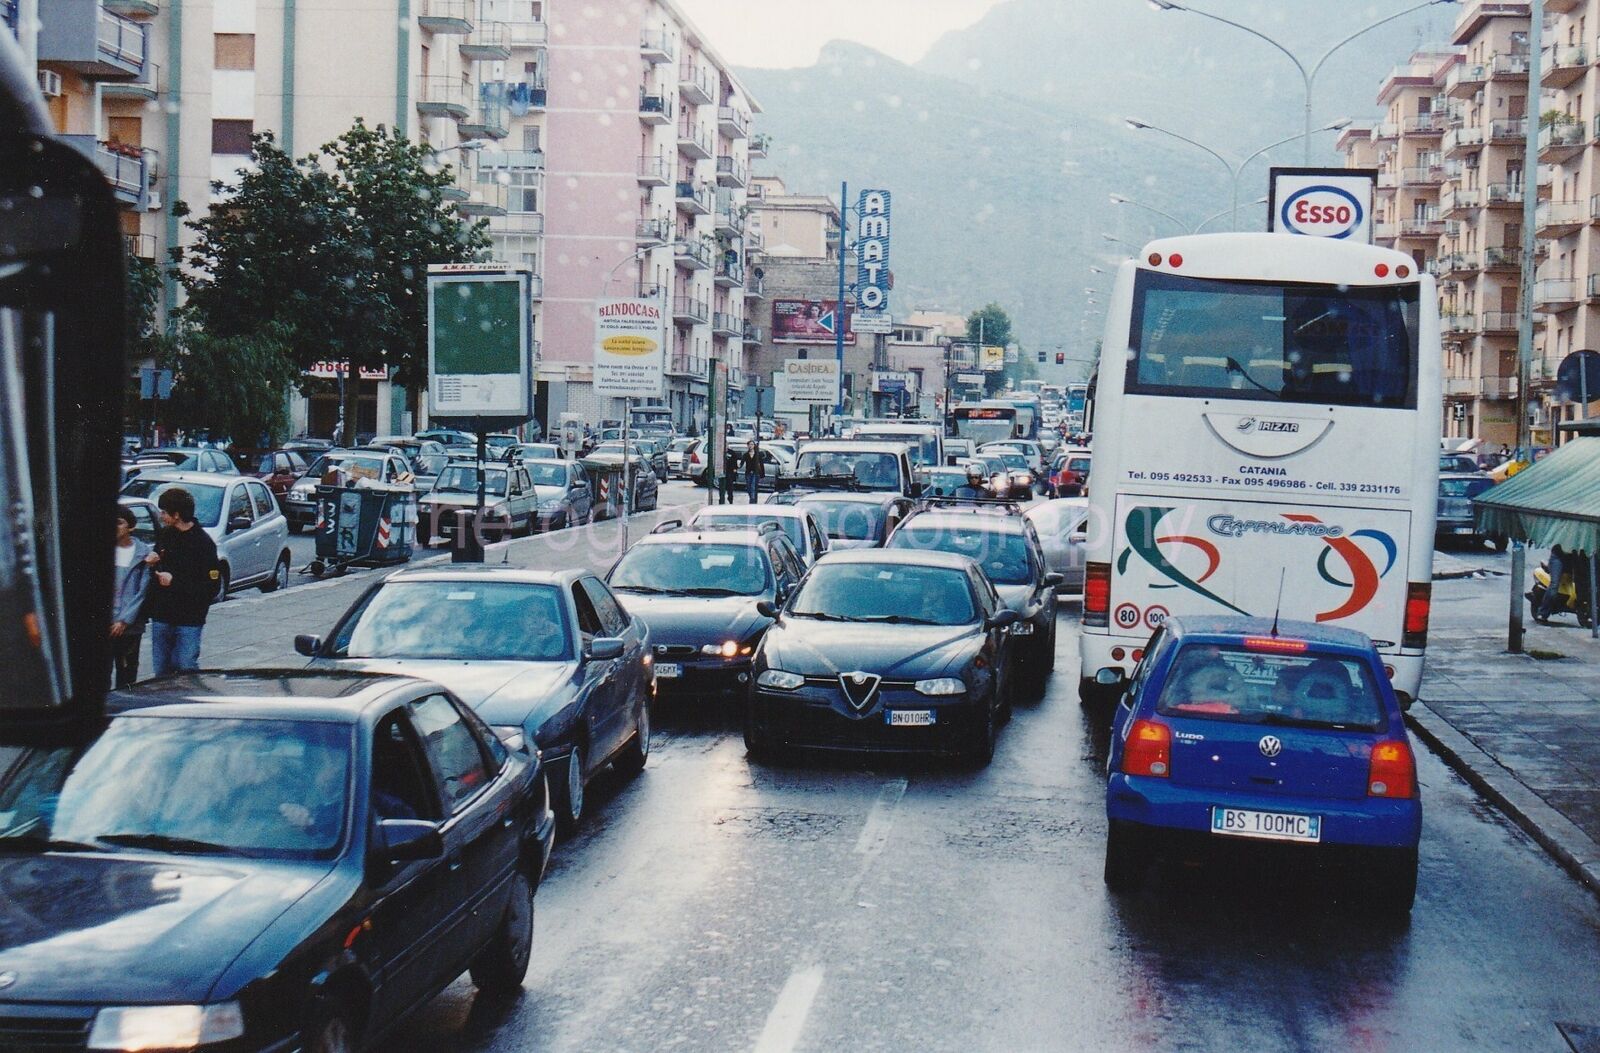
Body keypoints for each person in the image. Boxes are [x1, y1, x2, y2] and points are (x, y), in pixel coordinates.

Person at [144, 486, 221, 676]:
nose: (161, 516)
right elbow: (157, 570)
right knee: (161, 669)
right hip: (163, 615)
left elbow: (212, 587)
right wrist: (153, 564)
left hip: (189, 619)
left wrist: (174, 582)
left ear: (176, 514)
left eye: (164, 512)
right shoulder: (166, 535)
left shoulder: (203, 543)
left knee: (185, 665)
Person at [110, 505, 153, 688]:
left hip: (130, 626)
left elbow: (142, 592)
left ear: (131, 527)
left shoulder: (143, 555)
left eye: (119, 523)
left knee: (127, 671)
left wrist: (125, 620)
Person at [720, 439, 739, 505]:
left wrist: (735, 470)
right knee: (722, 486)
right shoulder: (720, 452)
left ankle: (730, 499)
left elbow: (735, 462)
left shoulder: (732, 453)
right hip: (722, 471)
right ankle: (721, 499)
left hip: (730, 472)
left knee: (730, 487)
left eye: (726, 444)